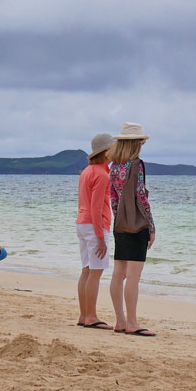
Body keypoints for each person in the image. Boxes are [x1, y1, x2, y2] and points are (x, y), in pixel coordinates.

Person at [107, 122, 156, 336]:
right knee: (134, 276)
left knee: (119, 274)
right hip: (137, 224)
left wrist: (117, 220)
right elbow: (141, 197)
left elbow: (114, 198)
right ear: (137, 144)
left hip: (120, 224)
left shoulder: (115, 166)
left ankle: (120, 320)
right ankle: (132, 323)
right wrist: (151, 226)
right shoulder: (137, 164)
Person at [76, 132, 116, 329]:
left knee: (86, 270)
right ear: (107, 151)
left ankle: (84, 315)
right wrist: (101, 237)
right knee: (95, 271)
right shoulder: (102, 175)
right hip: (94, 225)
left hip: (82, 224)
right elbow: (97, 207)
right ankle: (90, 316)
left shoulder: (87, 171)